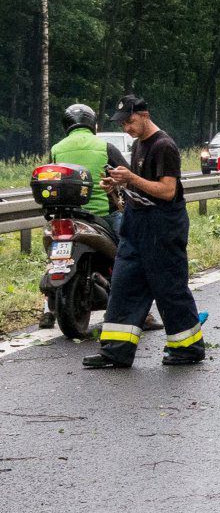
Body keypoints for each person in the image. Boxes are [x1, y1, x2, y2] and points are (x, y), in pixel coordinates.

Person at [83, 95, 205, 369]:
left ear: (145, 114)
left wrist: (132, 178)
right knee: (124, 285)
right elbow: (138, 188)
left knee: (169, 288)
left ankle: (188, 348)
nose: (127, 127)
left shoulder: (164, 146)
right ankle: (115, 351)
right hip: (136, 226)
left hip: (162, 228)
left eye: (130, 121)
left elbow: (167, 190)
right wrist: (116, 185)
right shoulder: (139, 145)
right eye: (123, 123)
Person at [38, 104, 129, 329]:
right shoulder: (105, 146)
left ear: (66, 125)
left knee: (54, 259)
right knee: (129, 255)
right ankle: (139, 311)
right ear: (92, 124)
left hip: (64, 215)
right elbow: (128, 175)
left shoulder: (57, 148)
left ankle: (46, 309)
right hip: (101, 214)